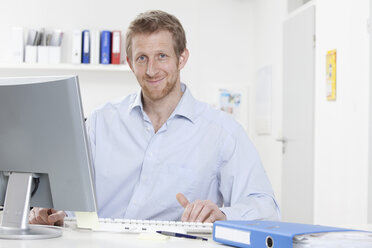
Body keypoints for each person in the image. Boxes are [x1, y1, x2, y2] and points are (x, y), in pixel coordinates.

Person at [29, 10, 280, 226]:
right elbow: (71, 195)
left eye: (162, 56)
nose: (151, 70)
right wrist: (53, 211)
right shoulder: (100, 122)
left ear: (182, 58)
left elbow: (266, 207)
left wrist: (223, 214)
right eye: (142, 58)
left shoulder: (222, 132)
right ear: (130, 63)